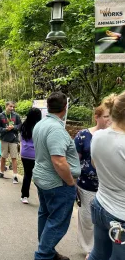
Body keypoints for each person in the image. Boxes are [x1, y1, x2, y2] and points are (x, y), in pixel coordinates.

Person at [32, 92, 80, 260]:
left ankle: (48, 250)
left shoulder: (41, 124)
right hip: (57, 183)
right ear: (65, 108)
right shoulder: (55, 129)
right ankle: (43, 254)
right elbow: (59, 161)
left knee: (45, 214)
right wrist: (70, 182)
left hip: (43, 179)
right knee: (58, 221)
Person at [88, 91, 125, 260]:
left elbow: (96, 165)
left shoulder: (98, 136)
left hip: (101, 204)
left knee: (98, 255)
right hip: (120, 215)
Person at [74, 98, 112, 258]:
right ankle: (89, 249)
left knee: (107, 221)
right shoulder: (83, 135)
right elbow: (75, 160)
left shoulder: (114, 136)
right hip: (87, 184)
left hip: (108, 186)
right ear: (96, 117)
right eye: (105, 116)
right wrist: (73, 183)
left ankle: (103, 248)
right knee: (87, 219)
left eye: (111, 116)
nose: (109, 120)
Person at [0, 101, 22, 183]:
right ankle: (1, 172)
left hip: (13, 139)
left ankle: (15, 176)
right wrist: (5, 129)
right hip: (4, 139)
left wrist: (13, 127)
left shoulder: (16, 115)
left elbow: (20, 125)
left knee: (14, 157)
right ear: (6, 106)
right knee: (3, 156)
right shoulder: (0, 116)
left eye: (13, 107)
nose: (12, 108)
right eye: (10, 106)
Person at [19, 107, 42, 204]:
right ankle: (42, 197)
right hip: (35, 154)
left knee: (27, 175)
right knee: (38, 175)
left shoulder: (23, 125)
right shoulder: (39, 127)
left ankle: (24, 196)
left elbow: (20, 139)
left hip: (24, 153)